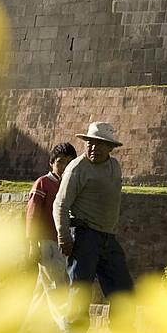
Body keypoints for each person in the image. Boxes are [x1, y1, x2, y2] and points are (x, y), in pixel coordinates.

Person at [54, 121, 134, 310]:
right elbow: (60, 204)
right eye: (90, 143)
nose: (93, 148)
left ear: (110, 148)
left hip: (107, 237)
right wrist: (63, 236)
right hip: (84, 235)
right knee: (80, 292)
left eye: (99, 144)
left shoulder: (114, 166)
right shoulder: (77, 168)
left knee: (123, 290)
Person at [23, 141, 76, 332]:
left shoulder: (69, 186)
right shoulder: (43, 183)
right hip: (46, 243)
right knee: (57, 288)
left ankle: (26, 332)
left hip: (62, 243)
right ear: (51, 163)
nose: (63, 167)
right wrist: (32, 244)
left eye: (68, 163)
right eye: (60, 162)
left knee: (43, 291)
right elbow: (32, 215)